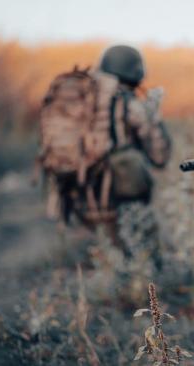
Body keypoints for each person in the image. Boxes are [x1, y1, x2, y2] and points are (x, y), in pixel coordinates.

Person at [40, 45, 171, 258]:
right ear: (135, 73)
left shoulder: (79, 96)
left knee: (102, 251)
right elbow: (160, 156)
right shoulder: (127, 103)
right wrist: (153, 115)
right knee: (142, 254)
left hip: (78, 196)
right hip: (119, 201)